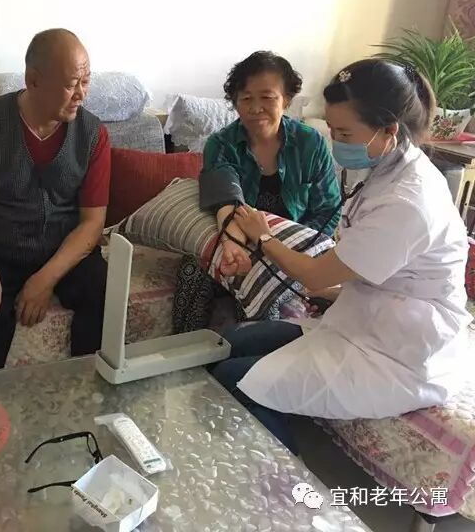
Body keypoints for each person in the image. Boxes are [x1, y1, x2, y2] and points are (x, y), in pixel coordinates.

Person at [210, 58, 472, 454]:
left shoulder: (408, 200)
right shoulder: (388, 168)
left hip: (400, 352)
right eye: (331, 129)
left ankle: (286, 479)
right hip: (365, 316)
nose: (334, 140)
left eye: (344, 133)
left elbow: (316, 273)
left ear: (389, 129)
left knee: (233, 377)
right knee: (230, 341)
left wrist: (263, 237)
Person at [0, 28, 111, 375]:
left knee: (104, 291)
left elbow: (92, 222)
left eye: (86, 81)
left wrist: (44, 280)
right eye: (72, 84)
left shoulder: (93, 134)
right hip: (1, 253)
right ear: (33, 80)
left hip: (65, 252)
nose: (81, 94)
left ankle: (90, 394)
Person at [202, 51, 341, 277]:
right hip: (243, 243)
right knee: (197, 274)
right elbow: (226, 202)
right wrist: (237, 246)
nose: (256, 108)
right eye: (246, 99)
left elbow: (328, 210)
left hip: (299, 247)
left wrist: (289, 251)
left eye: (267, 97)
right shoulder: (221, 145)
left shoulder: (310, 143)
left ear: (286, 99)